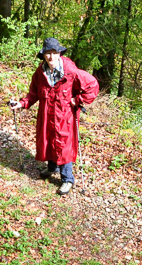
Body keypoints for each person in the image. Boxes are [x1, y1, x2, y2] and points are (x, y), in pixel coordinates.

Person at [10, 37, 100, 195]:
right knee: (48, 139)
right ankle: (52, 168)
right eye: (48, 53)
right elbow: (33, 94)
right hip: (46, 114)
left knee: (64, 145)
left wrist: (78, 100)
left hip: (65, 116)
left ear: (59, 54)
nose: (51, 57)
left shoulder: (71, 71)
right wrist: (21, 104)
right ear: (43, 55)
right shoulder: (40, 73)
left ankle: (67, 179)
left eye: (54, 53)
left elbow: (92, 85)